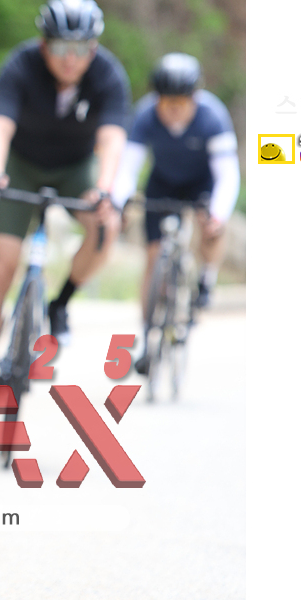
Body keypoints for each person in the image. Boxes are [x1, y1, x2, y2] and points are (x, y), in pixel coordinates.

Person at [0, 0, 130, 421]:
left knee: (105, 227)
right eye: (59, 48)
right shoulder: (20, 66)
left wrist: (104, 190)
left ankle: (61, 302)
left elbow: (112, 139)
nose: (70, 60)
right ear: (43, 45)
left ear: (93, 47)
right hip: (21, 167)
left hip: (76, 168)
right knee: (1, 269)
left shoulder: (108, 75)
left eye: (80, 49)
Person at [110, 52, 240, 372]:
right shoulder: (145, 115)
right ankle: (147, 335)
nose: (173, 110)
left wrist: (218, 214)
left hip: (202, 183)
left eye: (180, 103)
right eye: (167, 102)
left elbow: (227, 174)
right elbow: (128, 167)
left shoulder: (213, 117)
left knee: (212, 226)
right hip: (163, 183)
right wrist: (120, 201)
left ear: (194, 98)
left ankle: (206, 278)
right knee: (153, 257)